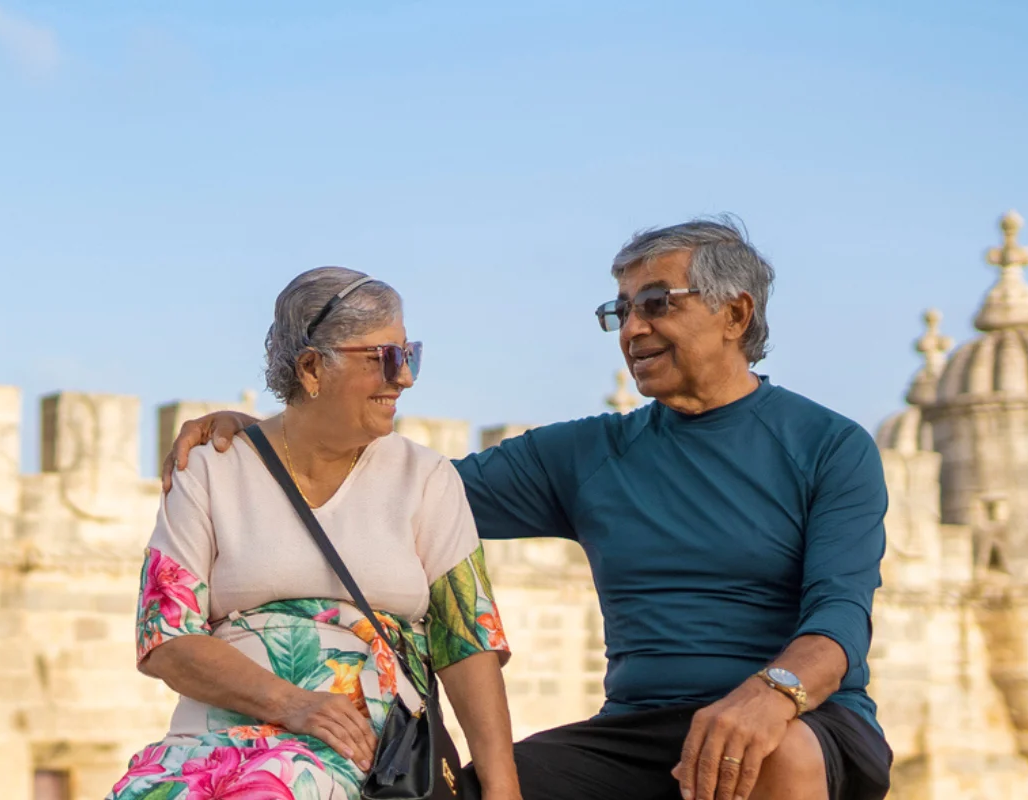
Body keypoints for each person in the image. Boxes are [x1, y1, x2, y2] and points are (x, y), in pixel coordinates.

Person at [165, 219, 894, 800]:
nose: (633, 329)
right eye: (621, 310)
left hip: (803, 718)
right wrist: (283, 437)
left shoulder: (829, 447)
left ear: (737, 314)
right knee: (461, 793)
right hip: (638, 732)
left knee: (770, 754)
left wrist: (769, 697)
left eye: (656, 304)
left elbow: (837, 625)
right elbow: (400, 495)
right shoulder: (589, 455)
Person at [110, 267, 522, 800]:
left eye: (410, 354)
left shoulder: (425, 479)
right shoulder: (211, 469)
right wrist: (291, 703)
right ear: (311, 368)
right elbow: (166, 639)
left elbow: (468, 643)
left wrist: (503, 788)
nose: (406, 378)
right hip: (215, 747)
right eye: (387, 359)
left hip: (372, 753)